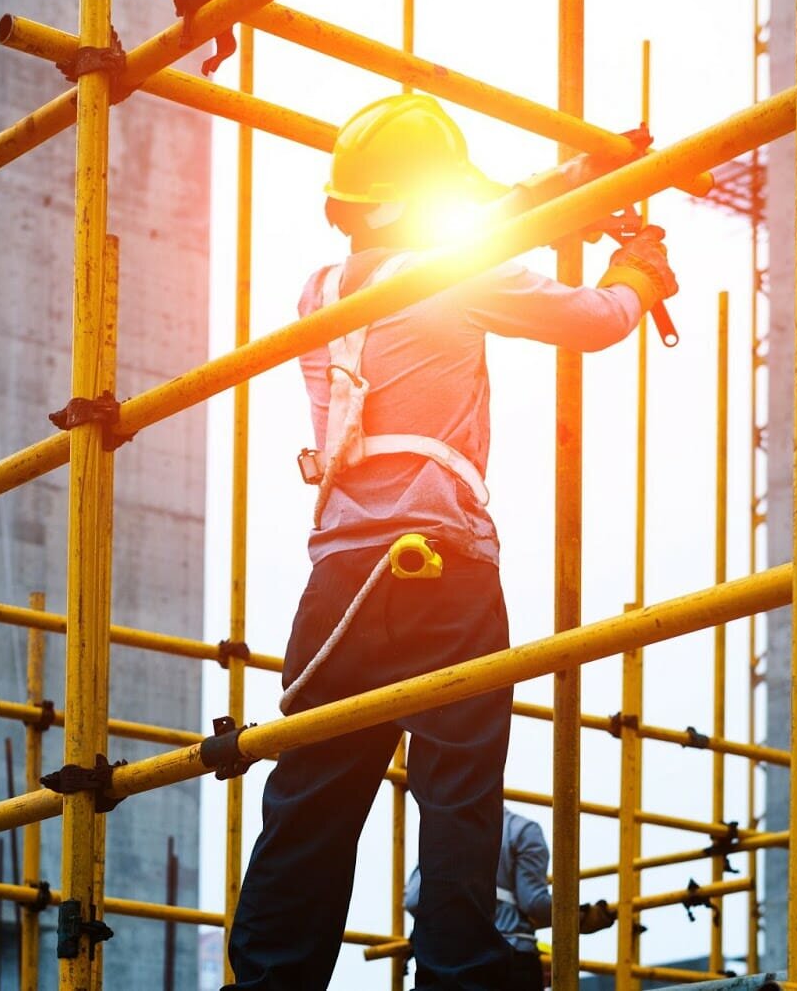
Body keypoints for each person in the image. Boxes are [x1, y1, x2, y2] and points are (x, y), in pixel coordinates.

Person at [225, 93, 677, 991]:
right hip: (444, 564)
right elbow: (593, 321)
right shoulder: (456, 274)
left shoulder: (320, 291)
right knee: (459, 787)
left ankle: (271, 978)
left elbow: (473, 234)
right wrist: (637, 273)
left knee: (311, 796)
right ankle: (461, 973)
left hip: (339, 580)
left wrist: (569, 187)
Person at [405, 808, 618, 990]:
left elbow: (414, 899)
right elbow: (534, 904)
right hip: (511, 959)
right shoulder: (522, 830)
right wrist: (585, 917)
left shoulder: (442, 835)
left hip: (449, 959)